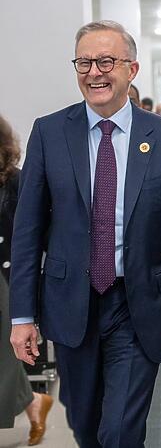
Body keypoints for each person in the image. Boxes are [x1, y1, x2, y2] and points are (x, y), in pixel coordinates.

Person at [9, 20, 161, 448]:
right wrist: (22, 316)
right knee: (86, 424)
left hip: (138, 305)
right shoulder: (50, 132)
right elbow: (28, 231)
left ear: (131, 70)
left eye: (106, 61)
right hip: (70, 304)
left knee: (120, 430)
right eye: (84, 62)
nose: (94, 71)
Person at [0, 115, 53, 445]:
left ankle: (31, 401)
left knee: (4, 354)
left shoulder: (16, 182)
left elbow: (31, 236)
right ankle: (33, 402)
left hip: (6, 280)